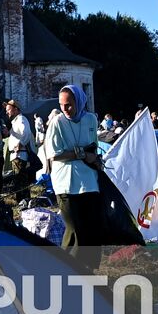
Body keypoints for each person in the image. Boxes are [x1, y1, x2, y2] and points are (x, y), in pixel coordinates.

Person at [39, 85, 102, 269]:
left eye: (69, 104)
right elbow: (54, 154)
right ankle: (66, 267)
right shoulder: (57, 122)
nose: (65, 109)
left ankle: (88, 269)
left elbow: (94, 146)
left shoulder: (90, 119)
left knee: (91, 228)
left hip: (88, 181)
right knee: (74, 229)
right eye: (62, 105)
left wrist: (95, 159)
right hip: (66, 183)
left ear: (79, 102)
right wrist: (81, 154)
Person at [3, 99, 35, 193]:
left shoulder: (21, 119)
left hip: (20, 155)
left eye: (8, 109)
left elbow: (26, 133)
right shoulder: (15, 122)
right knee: (18, 181)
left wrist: (20, 145)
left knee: (21, 182)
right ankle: (22, 201)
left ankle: (24, 201)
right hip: (16, 155)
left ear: (16, 109)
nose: (7, 112)